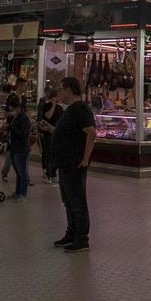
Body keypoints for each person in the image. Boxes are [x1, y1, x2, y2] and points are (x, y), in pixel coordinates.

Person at [50, 76, 96, 253]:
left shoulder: (79, 109)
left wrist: (85, 159)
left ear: (69, 89)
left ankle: (82, 239)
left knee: (77, 202)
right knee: (68, 201)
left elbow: (91, 133)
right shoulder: (70, 109)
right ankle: (71, 233)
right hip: (66, 164)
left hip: (74, 164)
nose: (59, 92)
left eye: (61, 89)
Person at [4, 95, 32, 200]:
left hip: (21, 149)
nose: (11, 111)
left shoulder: (24, 119)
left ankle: (22, 194)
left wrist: (11, 128)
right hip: (14, 148)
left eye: (13, 109)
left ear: (19, 108)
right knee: (18, 172)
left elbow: (23, 134)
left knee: (22, 172)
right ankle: (17, 192)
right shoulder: (15, 118)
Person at [36, 86, 61, 184]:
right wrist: (53, 105)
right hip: (46, 133)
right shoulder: (46, 105)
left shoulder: (59, 108)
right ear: (53, 97)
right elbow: (48, 116)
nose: (59, 99)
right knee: (47, 153)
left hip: (56, 133)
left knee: (55, 153)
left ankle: (54, 174)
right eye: (57, 97)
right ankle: (47, 173)